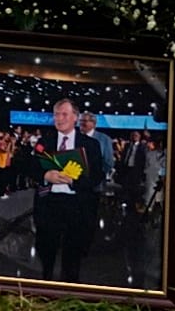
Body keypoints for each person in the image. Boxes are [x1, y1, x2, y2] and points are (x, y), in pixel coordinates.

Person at [32, 99, 102, 282]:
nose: (59, 118)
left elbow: (98, 176)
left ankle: (70, 290)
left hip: (77, 206)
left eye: (64, 114)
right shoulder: (43, 141)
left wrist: (75, 181)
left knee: (73, 256)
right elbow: (28, 164)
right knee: (46, 252)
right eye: (56, 114)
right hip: (49, 204)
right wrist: (46, 175)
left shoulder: (91, 145)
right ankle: (45, 283)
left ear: (75, 118)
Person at [79, 111, 115, 186]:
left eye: (85, 121)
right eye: (80, 121)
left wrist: (98, 176)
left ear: (94, 123)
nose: (81, 123)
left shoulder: (104, 139)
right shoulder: (76, 137)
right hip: (76, 182)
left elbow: (109, 162)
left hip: (95, 183)